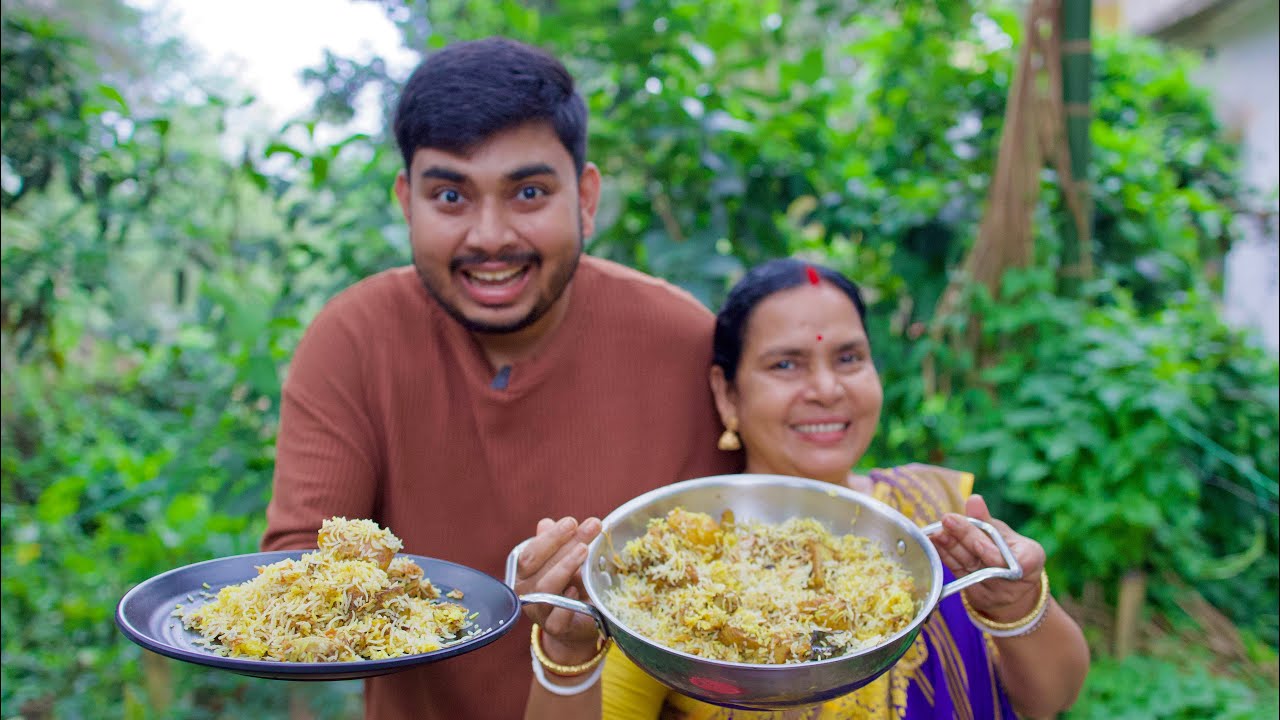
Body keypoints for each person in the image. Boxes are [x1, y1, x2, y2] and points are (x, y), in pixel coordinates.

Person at [260, 36, 740, 720]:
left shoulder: (685, 341)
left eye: (529, 192)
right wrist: (481, 599)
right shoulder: (355, 338)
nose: (489, 236)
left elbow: (763, 550)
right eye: (451, 194)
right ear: (407, 202)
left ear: (586, 197)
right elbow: (296, 579)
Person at [532, 258, 1090, 719]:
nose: (826, 389)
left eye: (848, 358)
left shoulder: (936, 513)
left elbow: (1051, 698)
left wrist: (1018, 603)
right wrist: (567, 651)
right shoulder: (667, 570)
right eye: (786, 365)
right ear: (727, 394)